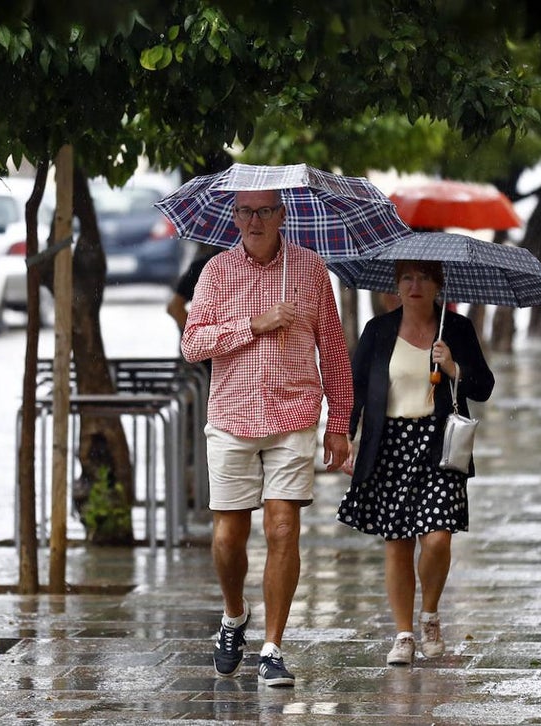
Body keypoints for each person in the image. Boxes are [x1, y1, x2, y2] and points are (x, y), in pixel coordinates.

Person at [181, 189, 352, 687]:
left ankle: (273, 648)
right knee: (229, 536)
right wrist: (254, 325)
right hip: (232, 416)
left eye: (265, 210)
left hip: (293, 414)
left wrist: (339, 421)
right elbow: (192, 343)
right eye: (245, 211)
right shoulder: (215, 272)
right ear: (234, 216)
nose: (254, 220)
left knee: (282, 529)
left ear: (283, 214)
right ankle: (234, 616)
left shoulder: (309, 270)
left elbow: (335, 350)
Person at [338, 260, 494, 666]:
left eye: (424, 277)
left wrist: (454, 367)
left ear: (438, 284)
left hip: (440, 444)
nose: (414, 285)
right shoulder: (379, 330)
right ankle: (404, 634)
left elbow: (485, 386)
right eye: (407, 277)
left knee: (438, 537)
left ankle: (431, 615)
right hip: (389, 444)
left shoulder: (455, 330)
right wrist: (345, 435)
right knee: (398, 542)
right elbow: (355, 389)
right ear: (396, 284)